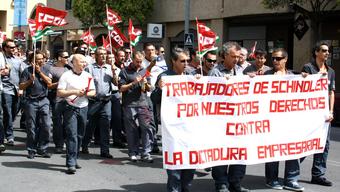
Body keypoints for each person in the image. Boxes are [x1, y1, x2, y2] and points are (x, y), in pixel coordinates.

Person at [208, 41, 249, 192]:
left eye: (238, 57)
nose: (236, 60)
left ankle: (235, 182)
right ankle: (221, 183)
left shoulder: (241, 71)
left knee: (239, 152)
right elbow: (209, 97)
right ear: (225, 56)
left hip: (238, 120)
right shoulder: (215, 72)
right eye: (233, 56)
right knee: (222, 153)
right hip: (221, 121)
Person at [153, 47, 195, 192]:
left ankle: (186, 187)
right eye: (182, 61)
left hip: (190, 126)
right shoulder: (165, 77)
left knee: (190, 161)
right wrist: (159, 89)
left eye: (187, 61)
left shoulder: (192, 75)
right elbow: (154, 99)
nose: (186, 64)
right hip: (173, 128)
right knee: (176, 163)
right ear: (173, 61)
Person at [263, 48, 304, 191]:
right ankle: (271, 179)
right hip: (272, 121)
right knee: (273, 150)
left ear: (285, 59)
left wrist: (307, 78)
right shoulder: (266, 75)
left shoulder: (294, 76)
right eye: (273, 58)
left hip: (290, 122)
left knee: (293, 149)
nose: (274, 61)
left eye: (278, 58)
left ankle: (291, 180)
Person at [300, 41, 335, 187]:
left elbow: (330, 92)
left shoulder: (331, 71)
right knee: (305, 143)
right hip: (309, 113)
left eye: (328, 51)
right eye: (324, 50)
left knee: (323, 145)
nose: (327, 53)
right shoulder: (308, 67)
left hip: (324, 115)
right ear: (316, 52)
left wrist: (331, 111)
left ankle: (318, 175)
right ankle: (292, 171)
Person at [57, 54, 96, 174]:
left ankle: (75, 157)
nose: (84, 64)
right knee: (72, 135)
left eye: (85, 62)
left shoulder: (88, 76)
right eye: (81, 62)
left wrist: (85, 94)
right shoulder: (66, 75)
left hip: (83, 107)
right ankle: (71, 162)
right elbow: (59, 92)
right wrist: (74, 92)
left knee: (80, 135)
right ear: (73, 63)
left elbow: (93, 92)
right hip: (70, 107)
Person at [119, 51, 155, 162]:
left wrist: (147, 84)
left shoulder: (145, 71)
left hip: (143, 103)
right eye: (137, 61)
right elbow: (121, 88)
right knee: (131, 130)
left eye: (141, 61)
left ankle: (146, 153)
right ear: (133, 60)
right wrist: (134, 82)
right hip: (129, 104)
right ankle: (133, 152)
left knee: (146, 128)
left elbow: (148, 88)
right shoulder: (124, 71)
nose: (139, 64)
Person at [82, 47, 116, 158]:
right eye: (100, 54)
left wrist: (114, 73)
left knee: (105, 126)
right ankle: (84, 145)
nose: (103, 56)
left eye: (105, 54)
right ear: (95, 56)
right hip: (93, 102)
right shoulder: (89, 68)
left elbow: (116, 83)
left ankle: (105, 150)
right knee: (90, 125)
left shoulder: (110, 68)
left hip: (106, 101)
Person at [19, 50, 52, 159]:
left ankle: (42, 148)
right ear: (32, 61)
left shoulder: (46, 69)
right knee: (31, 127)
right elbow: (21, 87)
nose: (40, 60)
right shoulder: (26, 71)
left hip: (44, 100)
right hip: (31, 101)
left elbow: (49, 82)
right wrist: (30, 81)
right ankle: (31, 149)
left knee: (46, 125)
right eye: (38, 59)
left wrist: (39, 72)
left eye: (42, 58)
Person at [1, 39, 26, 146]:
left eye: (14, 47)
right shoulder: (2, 59)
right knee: (7, 112)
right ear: (5, 48)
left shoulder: (18, 60)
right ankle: (9, 136)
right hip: (6, 89)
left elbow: (23, 75)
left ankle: (6, 129)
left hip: (17, 90)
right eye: (11, 47)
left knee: (14, 112)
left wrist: (22, 88)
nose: (13, 49)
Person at [48, 50, 71, 154]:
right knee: (57, 122)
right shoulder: (51, 69)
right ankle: (59, 144)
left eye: (68, 57)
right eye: (65, 57)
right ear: (59, 58)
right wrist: (60, 83)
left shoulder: (70, 68)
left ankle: (67, 142)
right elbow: (49, 85)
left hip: (69, 99)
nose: (67, 59)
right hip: (56, 98)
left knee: (68, 122)